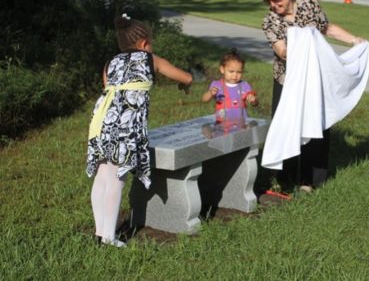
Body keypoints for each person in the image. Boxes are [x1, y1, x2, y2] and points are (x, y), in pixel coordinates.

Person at [86, 14, 193, 247]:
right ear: (145, 43)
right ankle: (109, 237)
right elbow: (186, 77)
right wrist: (184, 84)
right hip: (125, 123)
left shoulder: (110, 62)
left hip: (101, 118)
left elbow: (108, 87)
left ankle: (99, 232)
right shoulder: (150, 59)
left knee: (103, 173)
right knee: (117, 177)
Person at [260, 0, 365, 193]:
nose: (273, 5)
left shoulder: (310, 5)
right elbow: (283, 52)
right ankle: (286, 181)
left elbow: (326, 27)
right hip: (287, 82)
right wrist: (304, 39)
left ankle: (311, 181)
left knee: (317, 127)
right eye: (268, 0)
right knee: (287, 126)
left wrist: (355, 40)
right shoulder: (270, 21)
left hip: (315, 80)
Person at [202, 49, 258, 126]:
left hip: (241, 125)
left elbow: (255, 104)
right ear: (222, 69)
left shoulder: (244, 85)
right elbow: (204, 100)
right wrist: (210, 93)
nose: (235, 75)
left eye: (239, 72)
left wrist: (253, 100)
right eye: (231, 71)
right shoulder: (216, 85)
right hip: (222, 125)